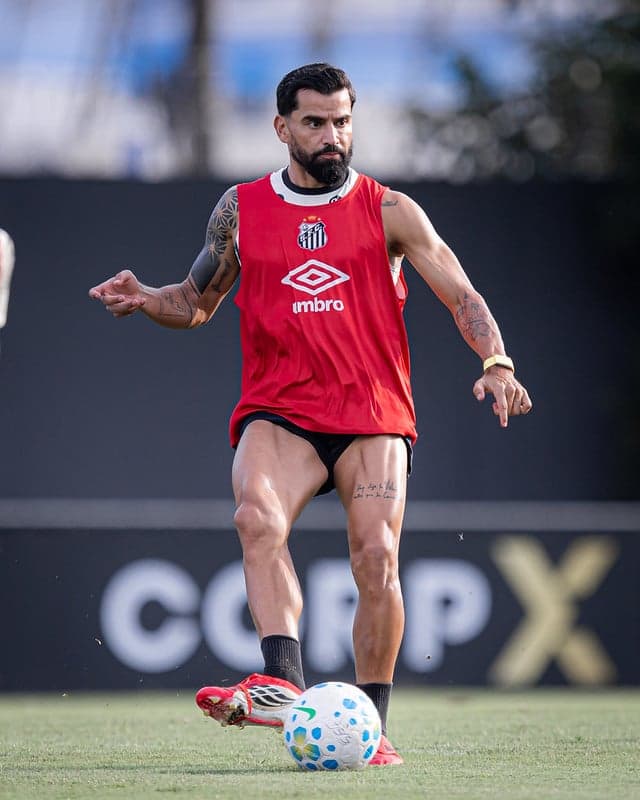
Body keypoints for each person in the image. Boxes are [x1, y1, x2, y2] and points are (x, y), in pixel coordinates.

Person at [89, 62, 532, 766]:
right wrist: (148, 298)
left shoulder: (391, 210)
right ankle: (282, 683)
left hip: (372, 412)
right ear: (281, 127)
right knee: (254, 518)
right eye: (316, 123)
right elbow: (197, 303)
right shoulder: (241, 209)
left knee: (377, 559)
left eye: (344, 121)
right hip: (280, 410)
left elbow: (460, 292)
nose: (334, 136)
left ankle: (374, 726)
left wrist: (497, 361)